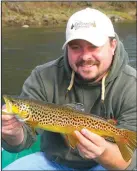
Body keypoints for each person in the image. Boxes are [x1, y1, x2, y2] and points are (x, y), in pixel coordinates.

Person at [2, 8, 136, 170]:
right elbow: (23, 141)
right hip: (53, 161)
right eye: (75, 47)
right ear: (66, 48)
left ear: (112, 45)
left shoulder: (131, 85)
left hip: (106, 164)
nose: (85, 56)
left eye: (93, 46)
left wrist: (103, 152)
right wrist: (13, 133)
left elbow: (129, 161)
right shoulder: (42, 76)